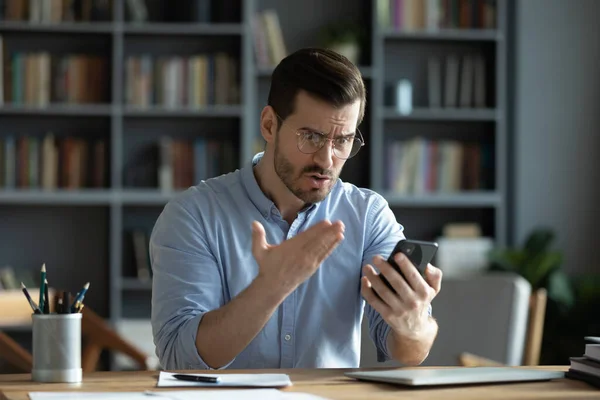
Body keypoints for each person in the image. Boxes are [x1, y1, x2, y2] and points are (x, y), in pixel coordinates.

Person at [150, 48, 443, 371]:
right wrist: (269, 288)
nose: (326, 160)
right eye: (311, 137)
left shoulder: (368, 216)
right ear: (269, 125)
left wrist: (413, 325)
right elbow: (180, 359)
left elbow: (408, 352)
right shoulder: (193, 216)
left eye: (342, 140)